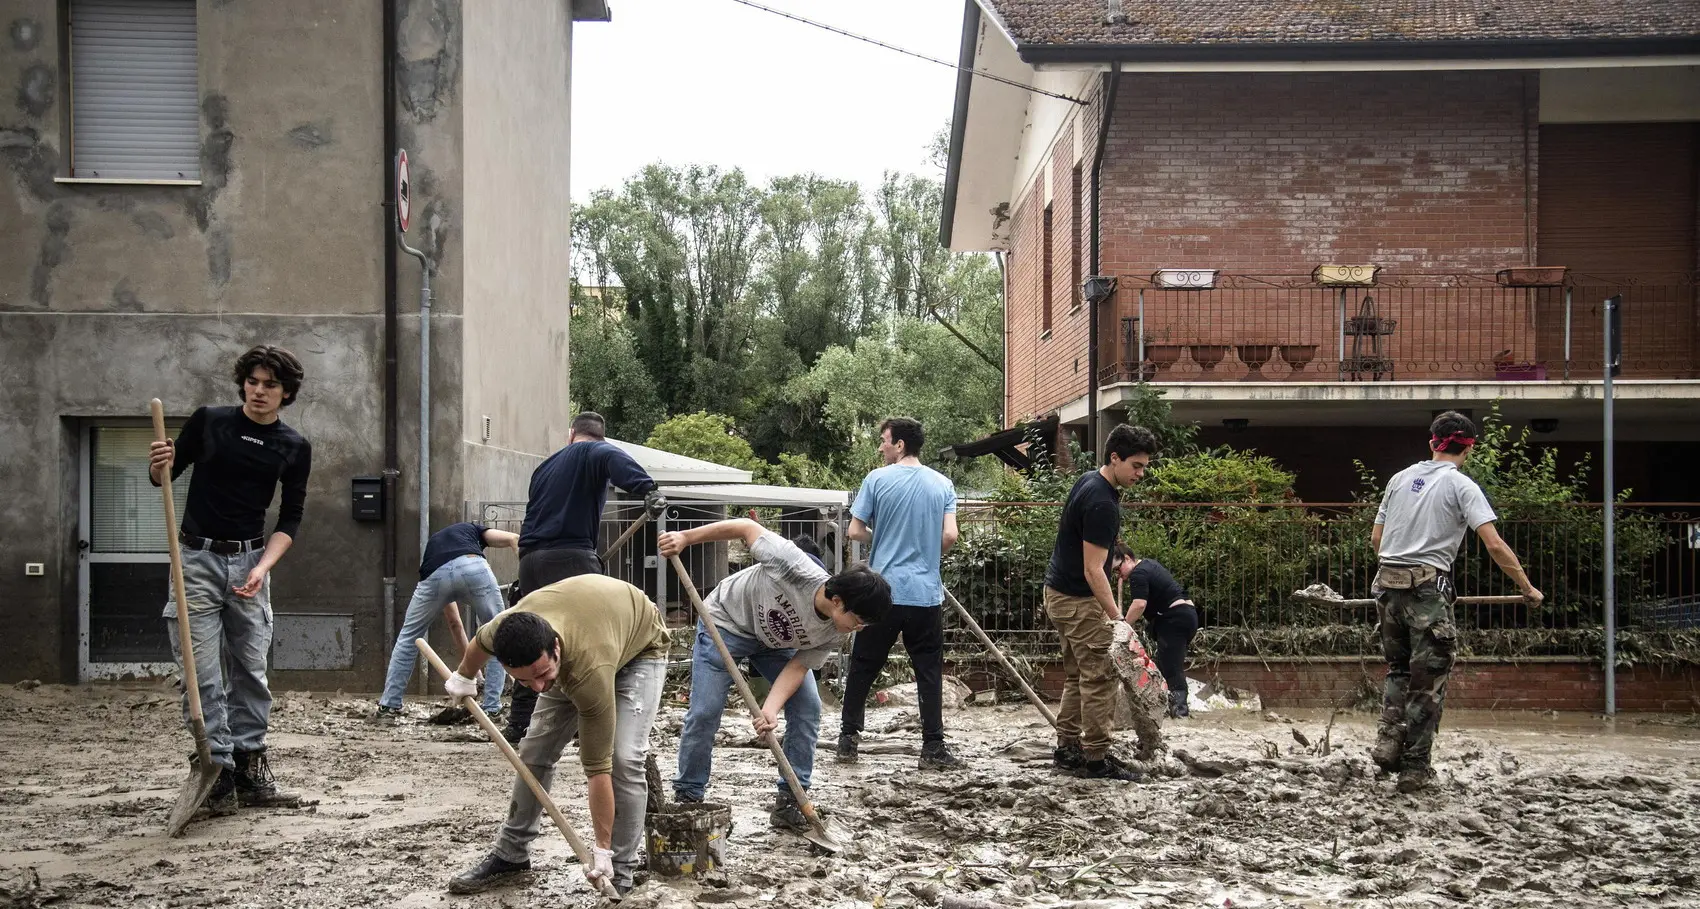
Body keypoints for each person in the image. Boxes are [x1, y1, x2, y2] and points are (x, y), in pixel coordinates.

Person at [148, 344, 312, 814]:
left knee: (250, 671)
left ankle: (249, 768)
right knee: (201, 674)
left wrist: (262, 568)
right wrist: (160, 463)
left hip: (249, 563)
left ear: (286, 393)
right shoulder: (210, 420)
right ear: (244, 382)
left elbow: (291, 518)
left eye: (271, 385)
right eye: (253, 382)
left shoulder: (293, 446)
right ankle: (214, 770)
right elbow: (163, 477)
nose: (259, 392)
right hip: (195, 560)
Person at [660, 518, 892, 831]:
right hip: (725, 622)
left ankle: (790, 801)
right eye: (859, 620)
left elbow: (797, 666)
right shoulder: (792, 564)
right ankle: (689, 795)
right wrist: (685, 537)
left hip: (776, 645)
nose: (859, 629)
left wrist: (770, 709)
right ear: (839, 601)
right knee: (705, 711)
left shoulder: (836, 632)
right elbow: (745, 527)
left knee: (808, 708)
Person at [443, 574, 668, 897]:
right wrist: (464, 676)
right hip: (584, 630)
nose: (538, 688)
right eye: (524, 681)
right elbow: (479, 643)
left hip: (639, 645)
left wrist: (601, 849)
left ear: (556, 648)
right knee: (534, 750)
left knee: (624, 757)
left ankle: (620, 870)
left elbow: (597, 769)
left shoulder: (588, 672)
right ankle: (511, 854)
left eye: (542, 675)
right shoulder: (504, 631)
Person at [1371, 410, 1542, 793]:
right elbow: (1494, 545)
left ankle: (1387, 739)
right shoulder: (1461, 486)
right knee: (1428, 682)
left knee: (1399, 669)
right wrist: (1527, 587)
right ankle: (1414, 768)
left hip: (1386, 585)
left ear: (1432, 442)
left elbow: (1376, 541)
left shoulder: (1399, 480)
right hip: (1426, 590)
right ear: (1470, 448)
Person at [505, 411, 665, 744]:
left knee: (536, 639)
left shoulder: (543, 468)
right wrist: (647, 489)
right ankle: (596, 721)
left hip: (530, 562)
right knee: (595, 640)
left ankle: (521, 724)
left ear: (569, 435)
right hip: (569, 559)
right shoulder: (591, 450)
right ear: (596, 437)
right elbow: (609, 456)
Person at [838, 417, 963, 770]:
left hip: (883, 592)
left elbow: (854, 531)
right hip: (925, 593)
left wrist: (885, 539)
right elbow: (951, 536)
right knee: (928, 669)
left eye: (884, 441)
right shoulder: (942, 484)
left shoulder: (877, 480)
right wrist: (924, 551)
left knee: (864, 664)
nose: (881, 447)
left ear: (900, 445)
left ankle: (848, 740)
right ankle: (933, 748)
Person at [1042, 424, 1158, 782]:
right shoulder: (1101, 502)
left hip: (1059, 594)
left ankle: (1067, 748)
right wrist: (1118, 621)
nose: (1141, 473)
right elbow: (1095, 571)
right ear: (1114, 458)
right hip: (1078, 600)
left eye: (1144, 466)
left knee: (1078, 675)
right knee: (1100, 677)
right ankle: (1095, 758)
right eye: (1136, 466)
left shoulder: (1090, 480)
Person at [376, 521, 519, 719]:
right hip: (474, 567)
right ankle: (492, 709)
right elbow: (513, 538)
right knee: (498, 634)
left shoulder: (436, 547)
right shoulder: (474, 529)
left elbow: (455, 624)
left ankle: (388, 706)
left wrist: (474, 670)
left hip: (435, 576)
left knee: (408, 638)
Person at [1112, 542, 1199, 719]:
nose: (1118, 574)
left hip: (1175, 618)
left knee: (1171, 666)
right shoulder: (1149, 565)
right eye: (1114, 572)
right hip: (1185, 616)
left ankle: (1180, 711)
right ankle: (1166, 707)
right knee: (1164, 664)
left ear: (1127, 558)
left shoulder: (1138, 573)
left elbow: (1139, 604)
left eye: (1118, 568)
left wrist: (1123, 626)